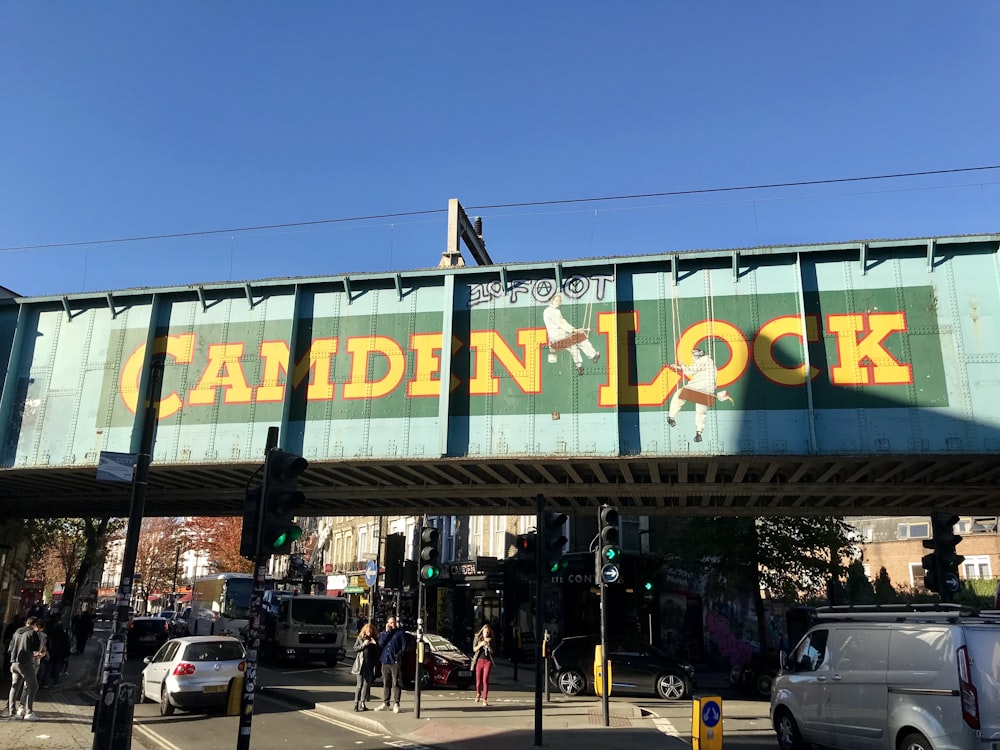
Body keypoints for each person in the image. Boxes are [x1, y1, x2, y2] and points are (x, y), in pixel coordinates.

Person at [666, 348, 718, 443]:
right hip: (708, 391)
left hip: (698, 388)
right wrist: (680, 368)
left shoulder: (702, 361)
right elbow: (699, 371)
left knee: (678, 396)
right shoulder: (710, 362)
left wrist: (682, 364)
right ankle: (699, 433)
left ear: (697, 356)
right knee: (701, 412)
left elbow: (690, 371)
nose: (692, 358)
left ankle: (671, 417)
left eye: (693, 356)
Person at [543, 294, 600, 375]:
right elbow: (561, 323)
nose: (558, 302)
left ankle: (579, 367)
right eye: (556, 300)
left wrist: (573, 330)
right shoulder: (552, 311)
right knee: (581, 338)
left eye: (559, 301)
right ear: (552, 300)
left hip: (555, 342)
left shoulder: (549, 311)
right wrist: (574, 330)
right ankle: (593, 355)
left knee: (573, 347)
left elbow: (562, 323)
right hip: (559, 340)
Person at [7, 616, 43, 721]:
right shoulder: (32, 633)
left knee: (14, 686)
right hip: (25, 663)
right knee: (33, 686)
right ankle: (29, 712)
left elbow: (10, 648)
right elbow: (36, 647)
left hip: (14, 662)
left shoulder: (17, 632)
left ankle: (12, 712)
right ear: (35, 625)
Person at [374, 616, 409, 714]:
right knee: (386, 682)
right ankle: (386, 703)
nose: (392, 624)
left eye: (393, 622)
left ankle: (396, 703)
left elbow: (404, 647)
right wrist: (386, 632)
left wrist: (399, 655)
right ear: (387, 623)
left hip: (395, 662)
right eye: (390, 623)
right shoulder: (385, 633)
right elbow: (380, 643)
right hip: (385, 660)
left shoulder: (400, 633)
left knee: (396, 683)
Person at [351, 623, 379, 712]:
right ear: (364, 631)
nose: (369, 633)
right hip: (361, 665)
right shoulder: (360, 638)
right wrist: (364, 644)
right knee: (359, 685)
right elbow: (355, 648)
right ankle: (356, 704)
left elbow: (378, 652)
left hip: (370, 665)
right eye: (367, 632)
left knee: (366, 685)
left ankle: (362, 703)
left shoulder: (374, 640)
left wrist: (375, 644)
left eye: (371, 632)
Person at [471, 623, 496, 706]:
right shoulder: (478, 638)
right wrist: (481, 644)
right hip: (479, 660)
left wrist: (488, 645)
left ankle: (485, 699)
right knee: (478, 681)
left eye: (488, 632)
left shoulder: (491, 639)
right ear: (482, 631)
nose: (487, 634)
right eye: (485, 632)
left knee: (485, 680)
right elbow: (474, 649)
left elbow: (493, 652)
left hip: (487, 661)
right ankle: (478, 693)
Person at [43, 619, 71, 687]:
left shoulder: (51, 633)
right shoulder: (64, 635)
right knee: (57, 667)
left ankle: (45, 682)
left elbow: (47, 642)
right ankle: (55, 681)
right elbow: (67, 645)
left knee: (48, 667)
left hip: (51, 652)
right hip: (60, 654)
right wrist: (67, 654)